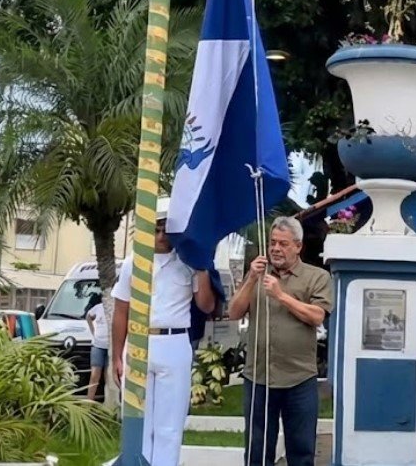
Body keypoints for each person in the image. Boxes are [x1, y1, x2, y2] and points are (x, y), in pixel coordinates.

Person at [111, 196, 216, 466]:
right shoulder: (133, 263)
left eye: (165, 230)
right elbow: (121, 310)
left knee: (170, 425)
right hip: (139, 341)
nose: (161, 236)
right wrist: (116, 356)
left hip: (175, 341)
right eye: (156, 229)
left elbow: (205, 305)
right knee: (138, 422)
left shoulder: (188, 261)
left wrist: (203, 268)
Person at [228, 216, 333, 466]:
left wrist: (281, 295)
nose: (275, 248)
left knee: (301, 450)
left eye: (283, 244)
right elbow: (233, 312)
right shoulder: (257, 275)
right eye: (273, 243)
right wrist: (251, 279)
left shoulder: (316, 277)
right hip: (259, 378)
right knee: (257, 450)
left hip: (299, 378)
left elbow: (317, 316)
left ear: (298, 246)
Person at [84, 292, 108, 401]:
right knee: (95, 376)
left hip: (111, 347)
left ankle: (109, 403)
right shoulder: (98, 308)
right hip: (98, 345)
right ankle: (89, 404)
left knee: (109, 377)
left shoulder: (116, 308)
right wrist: (93, 331)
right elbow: (88, 316)